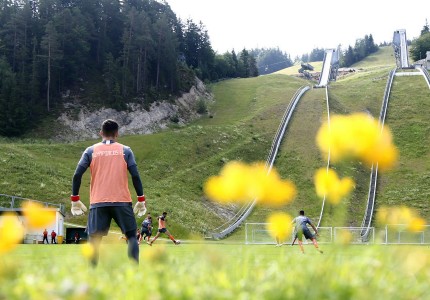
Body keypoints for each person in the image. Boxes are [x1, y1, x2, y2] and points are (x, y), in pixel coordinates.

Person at [70, 119, 147, 265]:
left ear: (101, 133)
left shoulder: (90, 151)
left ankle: (92, 274)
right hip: (122, 201)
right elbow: (135, 176)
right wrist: (141, 199)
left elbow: (77, 175)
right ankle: (135, 271)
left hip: (98, 202)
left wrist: (75, 199)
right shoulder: (126, 150)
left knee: (94, 239)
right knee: (131, 236)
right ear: (117, 133)